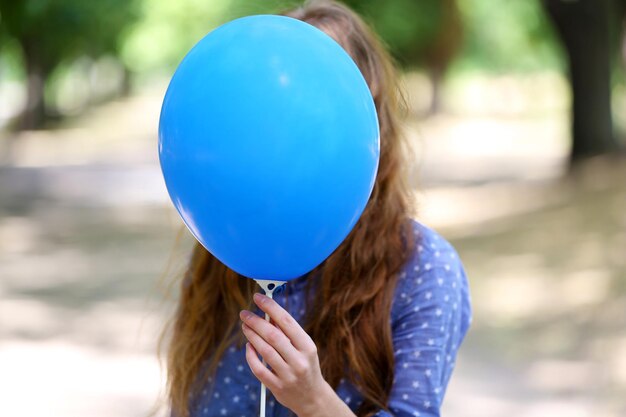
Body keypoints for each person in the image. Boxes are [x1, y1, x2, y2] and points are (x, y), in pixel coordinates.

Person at [163, 1, 471, 416]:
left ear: (371, 117)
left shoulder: (423, 269)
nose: (283, 125)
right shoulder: (227, 244)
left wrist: (313, 400)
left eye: (312, 103)